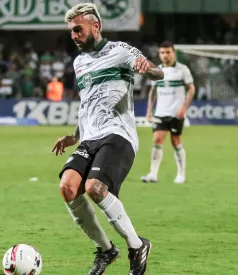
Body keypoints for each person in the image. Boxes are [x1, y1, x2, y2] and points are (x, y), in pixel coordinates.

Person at [51, 3, 164, 275]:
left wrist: (147, 68)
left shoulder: (120, 51)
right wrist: (74, 135)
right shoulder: (79, 63)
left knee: (95, 188)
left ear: (96, 26)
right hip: (89, 137)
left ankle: (137, 246)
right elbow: (87, 104)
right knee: (67, 187)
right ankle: (105, 250)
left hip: (118, 134)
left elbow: (159, 72)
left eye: (78, 29)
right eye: (71, 31)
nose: (74, 35)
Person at [140, 41, 195, 184]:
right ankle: (153, 174)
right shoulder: (157, 70)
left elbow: (191, 88)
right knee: (157, 141)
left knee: (176, 142)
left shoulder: (182, 69)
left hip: (176, 113)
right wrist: (149, 111)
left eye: (168, 52)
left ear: (173, 53)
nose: (165, 55)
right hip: (160, 113)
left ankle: (181, 174)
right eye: (162, 52)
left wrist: (184, 108)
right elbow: (153, 91)